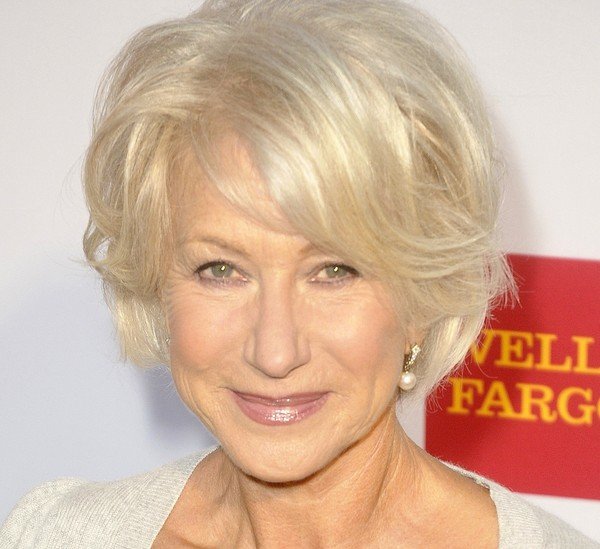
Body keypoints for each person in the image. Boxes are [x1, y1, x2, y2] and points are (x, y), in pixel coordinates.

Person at [1, 0, 597, 547]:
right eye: (221, 270)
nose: (275, 353)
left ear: (423, 296)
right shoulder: (57, 536)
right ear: (156, 284)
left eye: (334, 271)